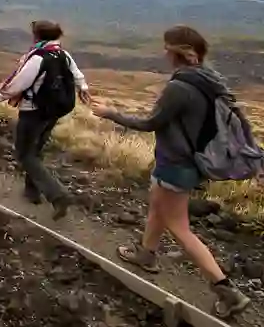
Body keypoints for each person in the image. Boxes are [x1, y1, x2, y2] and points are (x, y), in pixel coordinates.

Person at [92, 25, 250, 318]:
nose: (164, 52)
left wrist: (109, 112)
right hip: (188, 161)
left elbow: (150, 123)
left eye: (167, 47)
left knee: (179, 227)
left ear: (177, 51)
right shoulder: (208, 78)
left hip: (176, 164)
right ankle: (146, 254)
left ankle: (227, 291)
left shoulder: (179, 87)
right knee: (157, 206)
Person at [0, 20, 89, 220]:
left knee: (25, 154)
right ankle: (32, 191)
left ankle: (58, 195)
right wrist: (84, 89)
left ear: (36, 36)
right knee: (36, 151)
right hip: (53, 111)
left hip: (33, 111)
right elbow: (78, 75)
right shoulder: (62, 54)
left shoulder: (37, 57)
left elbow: (19, 83)